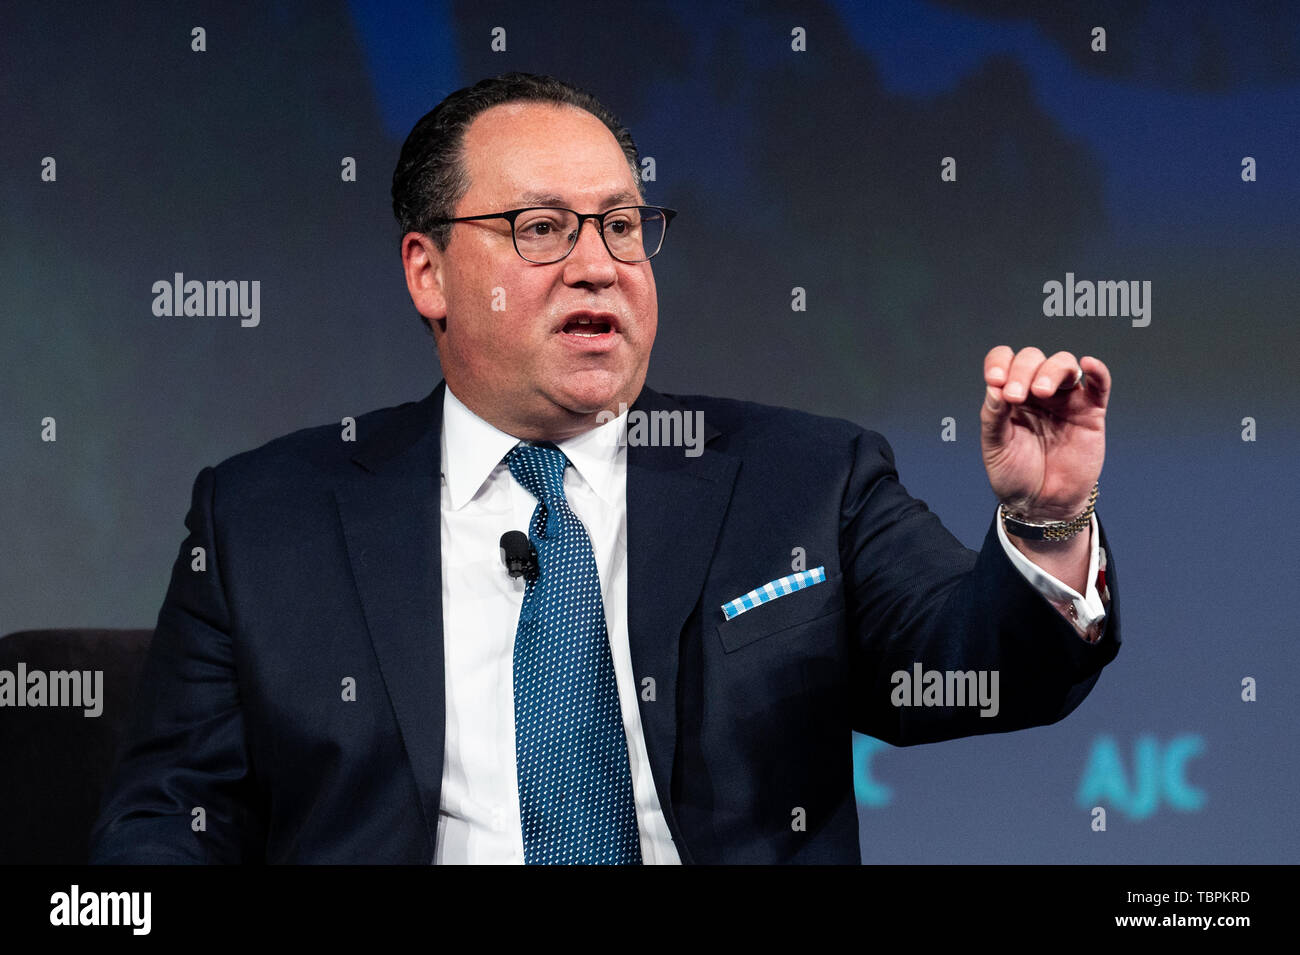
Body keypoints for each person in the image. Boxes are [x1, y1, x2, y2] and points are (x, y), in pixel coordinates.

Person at [89, 72, 1119, 865]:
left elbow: (967, 670)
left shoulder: (805, 478)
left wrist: (1041, 528)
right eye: (540, 229)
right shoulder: (268, 517)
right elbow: (172, 817)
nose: (599, 264)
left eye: (624, 226)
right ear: (428, 272)